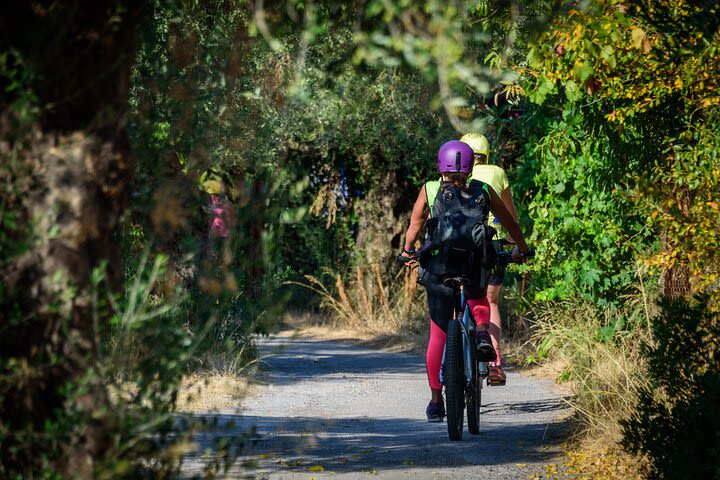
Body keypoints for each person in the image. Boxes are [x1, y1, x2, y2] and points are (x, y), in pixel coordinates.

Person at [399, 140, 531, 422]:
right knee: (478, 296)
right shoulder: (483, 189)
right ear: (471, 167)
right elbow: (509, 223)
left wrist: (407, 250)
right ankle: (482, 333)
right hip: (473, 264)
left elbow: (415, 224)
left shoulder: (430, 188)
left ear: (440, 166)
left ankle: (436, 402)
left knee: (437, 335)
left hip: (438, 266)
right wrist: (522, 247)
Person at [460, 133, 520, 386]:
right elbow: (509, 214)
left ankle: (454, 356)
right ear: (487, 154)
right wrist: (516, 243)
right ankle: (495, 364)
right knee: (491, 302)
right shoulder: (496, 172)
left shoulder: (455, 175)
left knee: (461, 297)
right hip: (492, 245)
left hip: (461, 245)